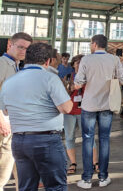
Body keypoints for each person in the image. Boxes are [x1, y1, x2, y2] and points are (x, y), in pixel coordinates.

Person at [0, 42, 72, 191]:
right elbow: (66, 108)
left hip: (19, 141)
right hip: (46, 140)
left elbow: (5, 111)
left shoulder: (9, 81)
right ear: (48, 61)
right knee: (55, 186)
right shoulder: (50, 78)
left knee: (26, 186)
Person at [74, 34, 123, 189]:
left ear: (95, 44)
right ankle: (103, 177)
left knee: (87, 140)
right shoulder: (114, 59)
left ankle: (87, 179)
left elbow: (78, 84)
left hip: (89, 105)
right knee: (104, 140)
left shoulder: (86, 59)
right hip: (107, 105)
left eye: (91, 43)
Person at [0, 32, 32, 191]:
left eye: (26, 49)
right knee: (3, 175)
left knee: (21, 171)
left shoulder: (16, 66)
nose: (23, 51)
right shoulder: (2, 64)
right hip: (5, 128)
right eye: (20, 47)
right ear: (9, 45)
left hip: (16, 127)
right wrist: (1, 122)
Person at [63, 55, 98, 175]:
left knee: (89, 136)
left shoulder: (89, 77)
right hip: (70, 111)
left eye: (81, 62)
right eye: (76, 63)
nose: (78, 65)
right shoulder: (68, 76)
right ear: (72, 65)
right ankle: (72, 163)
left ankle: (94, 162)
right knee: (69, 137)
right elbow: (64, 93)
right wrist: (70, 87)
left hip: (85, 110)